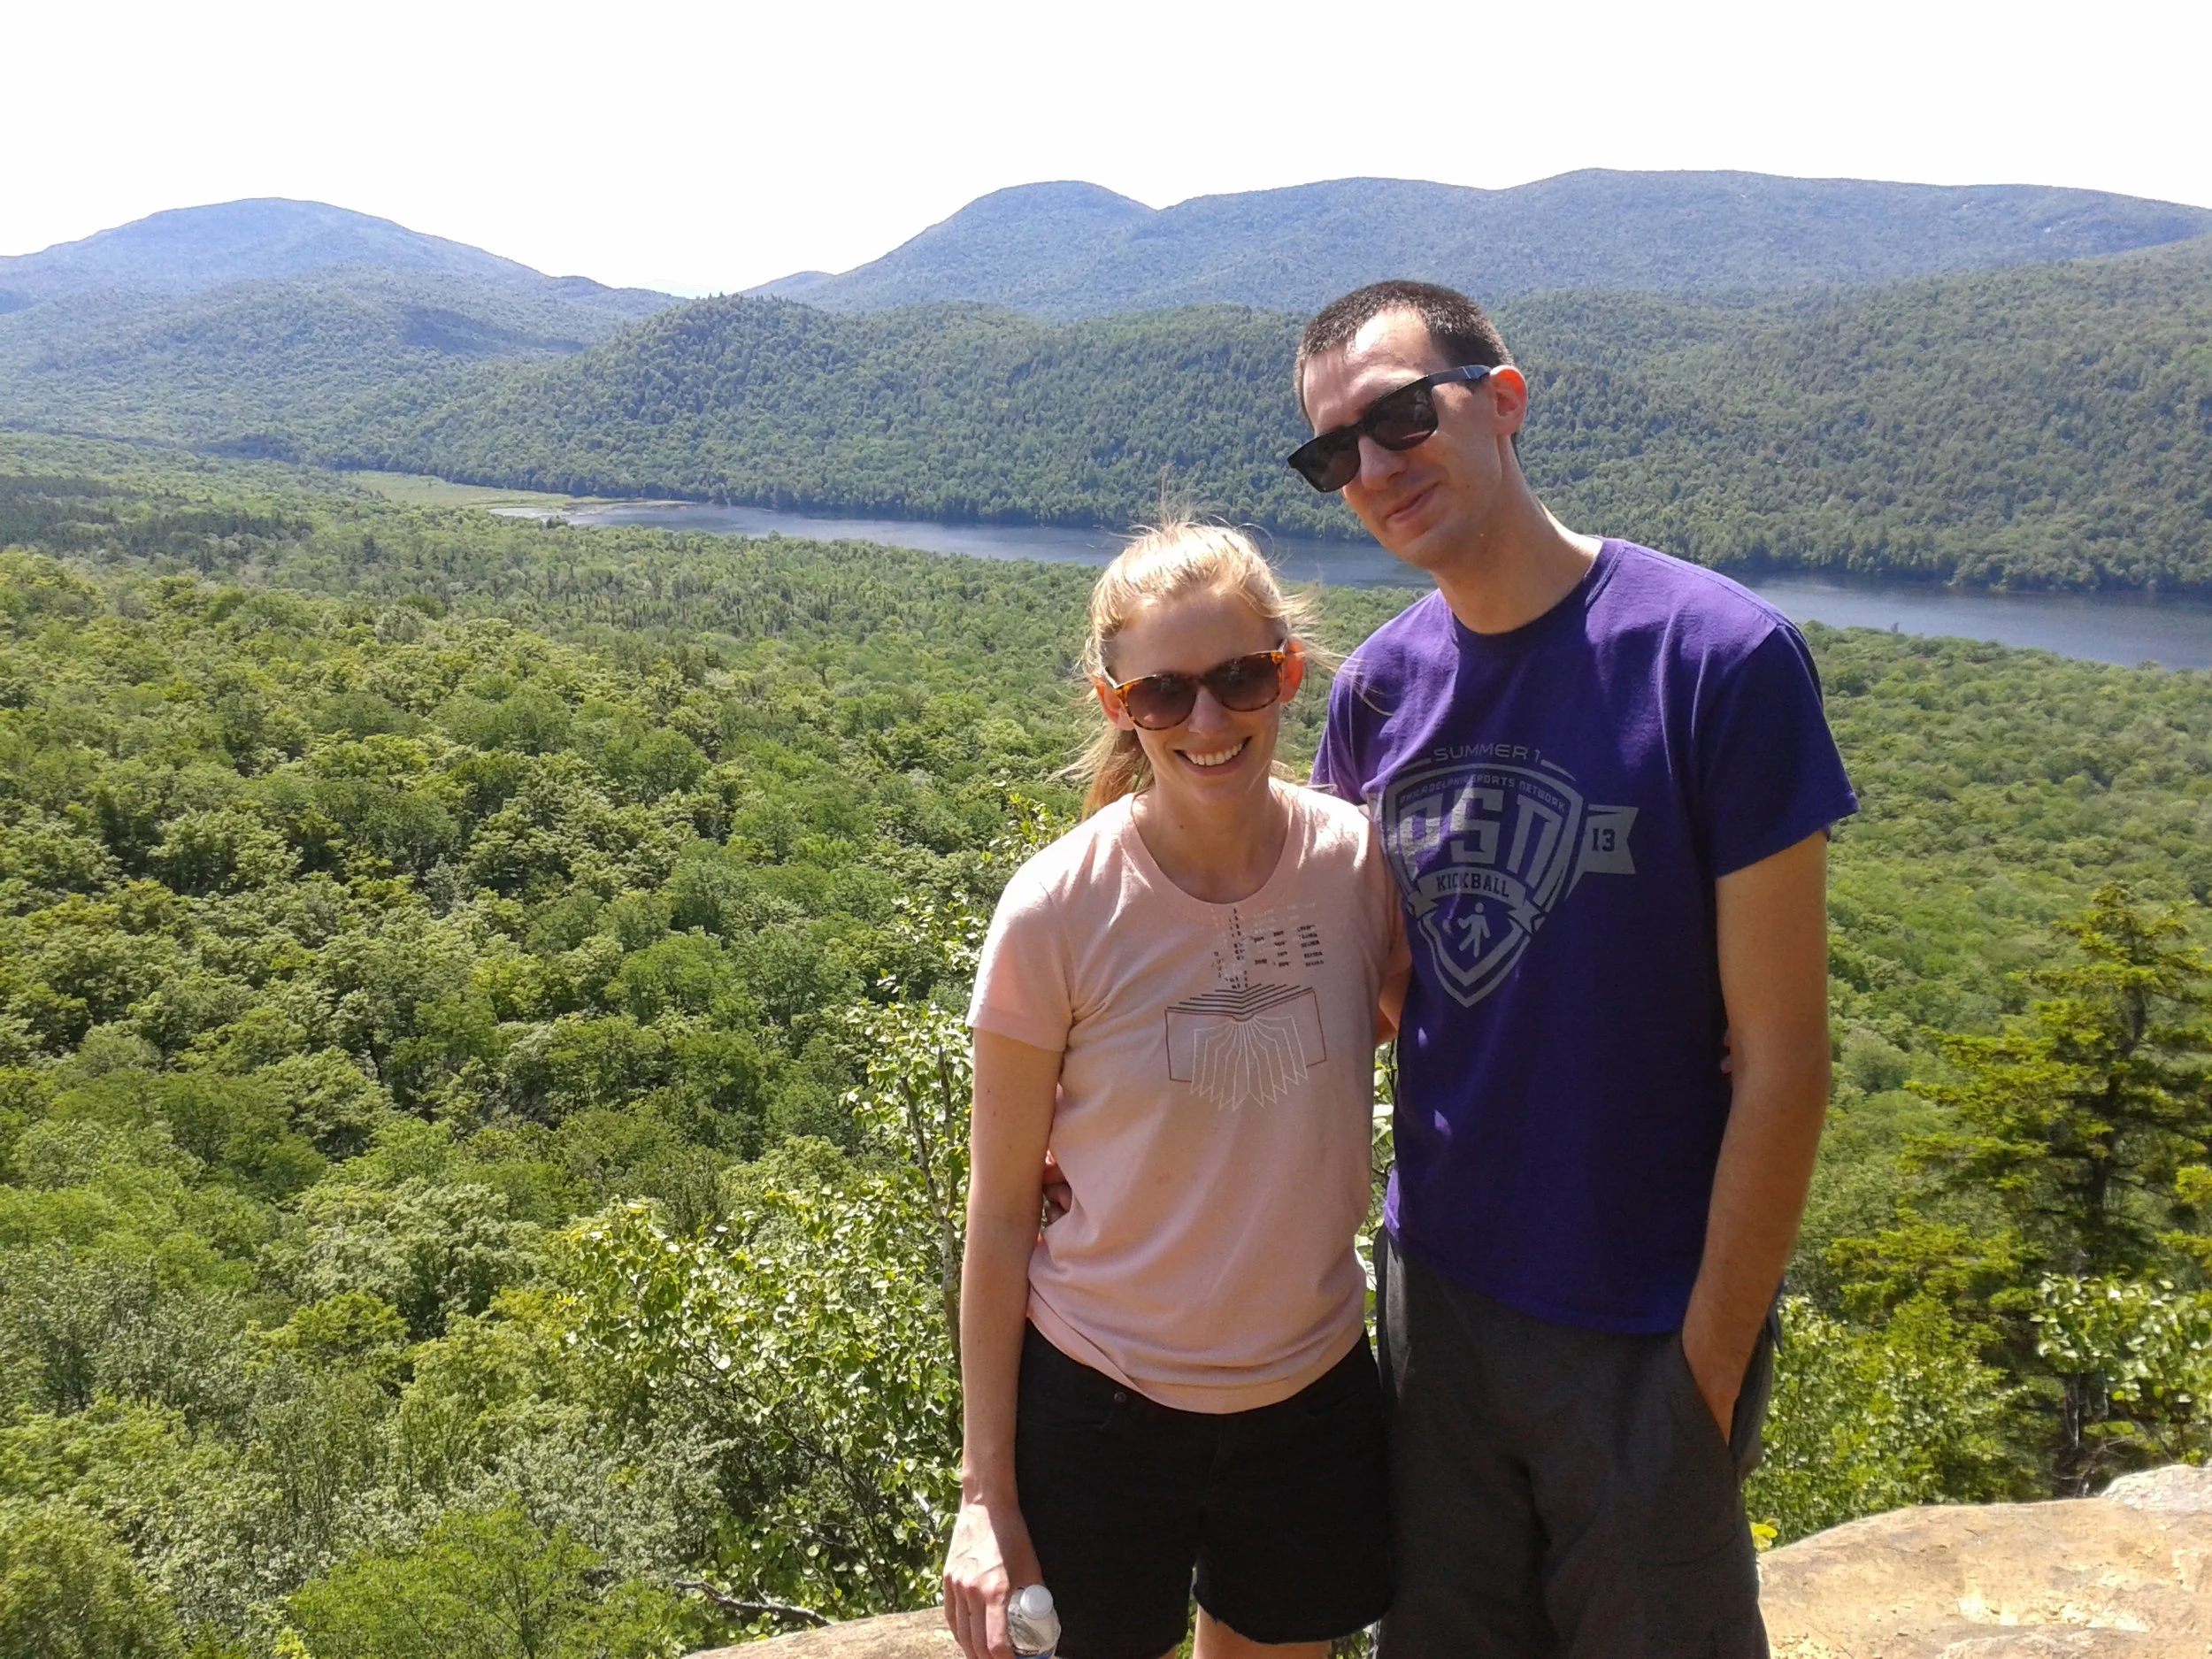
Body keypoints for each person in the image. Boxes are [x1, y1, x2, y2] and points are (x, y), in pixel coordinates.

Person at [1290, 281, 1857, 1658]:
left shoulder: (1716, 658)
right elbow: (1362, 986)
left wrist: (1705, 1368)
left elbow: (1786, 1059)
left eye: (1401, 416)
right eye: (1334, 449)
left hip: (1646, 1316)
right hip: (1440, 1306)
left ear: (1504, 399)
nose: (1375, 466)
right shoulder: (1378, 690)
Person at [942, 523, 1407, 1659]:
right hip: (1096, 1405)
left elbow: (1462, 1026)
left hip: (1309, 1400)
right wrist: (983, 1496)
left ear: (1287, 673)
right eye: (1162, 692)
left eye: (1240, 676)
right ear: (1117, 705)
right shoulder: (1057, 910)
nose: (1207, 720)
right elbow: (999, 1214)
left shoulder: (1357, 867)